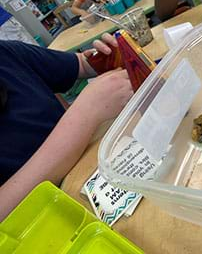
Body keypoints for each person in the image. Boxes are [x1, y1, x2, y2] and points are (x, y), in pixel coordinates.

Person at [0, 33, 133, 221]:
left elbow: (78, 65)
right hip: (49, 221)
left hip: (103, 172)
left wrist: (104, 57)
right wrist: (85, 114)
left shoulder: (6, 53)